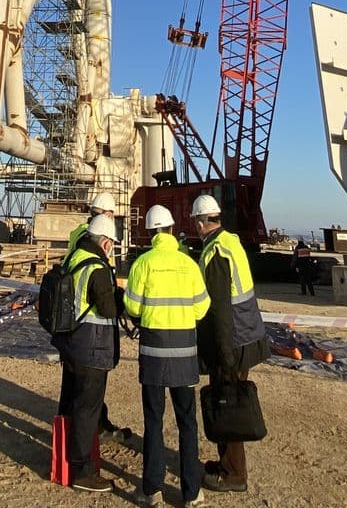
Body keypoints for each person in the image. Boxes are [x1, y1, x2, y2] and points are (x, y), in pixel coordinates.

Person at [123, 204, 210, 508]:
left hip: (154, 354)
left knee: (154, 421)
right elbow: (202, 307)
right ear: (173, 229)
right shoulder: (188, 264)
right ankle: (192, 493)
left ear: (150, 232)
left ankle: (151, 489)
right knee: (188, 423)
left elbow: (132, 307)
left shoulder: (143, 264)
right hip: (185, 354)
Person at [190, 195, 267, 494]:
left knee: (229, 404)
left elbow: (220, 309)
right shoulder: (231, 242)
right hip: (246, 335)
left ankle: (234, 474)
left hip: (232, 342)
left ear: (199, 222)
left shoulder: (216, 253)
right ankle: (226, 464)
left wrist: (223, 354)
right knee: (229, 401)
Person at [56, 214, 123, 492]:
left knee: (71, 401)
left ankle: (64, 454)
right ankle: (83, 471)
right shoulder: (96, 267)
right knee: (87, 407)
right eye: (111, 245)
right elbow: (108, 309)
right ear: (105, 242)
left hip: (72, 342)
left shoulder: (75, 257)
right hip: (91, 347)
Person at [65, 191, 130, 442]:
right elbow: (104, 302)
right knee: (86, 390)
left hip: (74, 322)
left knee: (77, 387)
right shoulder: (92, 242)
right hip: (89, 328)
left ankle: (86, 426)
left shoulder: (80, 234)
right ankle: (83, 444)